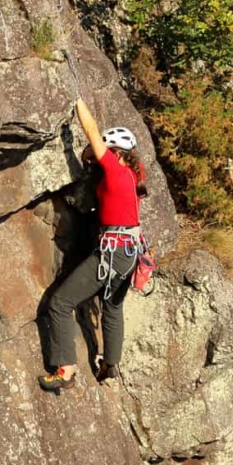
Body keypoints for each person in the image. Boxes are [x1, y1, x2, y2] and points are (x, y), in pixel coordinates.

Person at [38, 97, 148, 395]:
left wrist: (77, 102)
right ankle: (110, 364)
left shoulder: (114, 171)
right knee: (112, 307)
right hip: (128, 252)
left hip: (112, 252)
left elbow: (91, 130)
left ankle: (65, 369)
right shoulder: (134, 177)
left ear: (114, 153)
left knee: (60, 303)